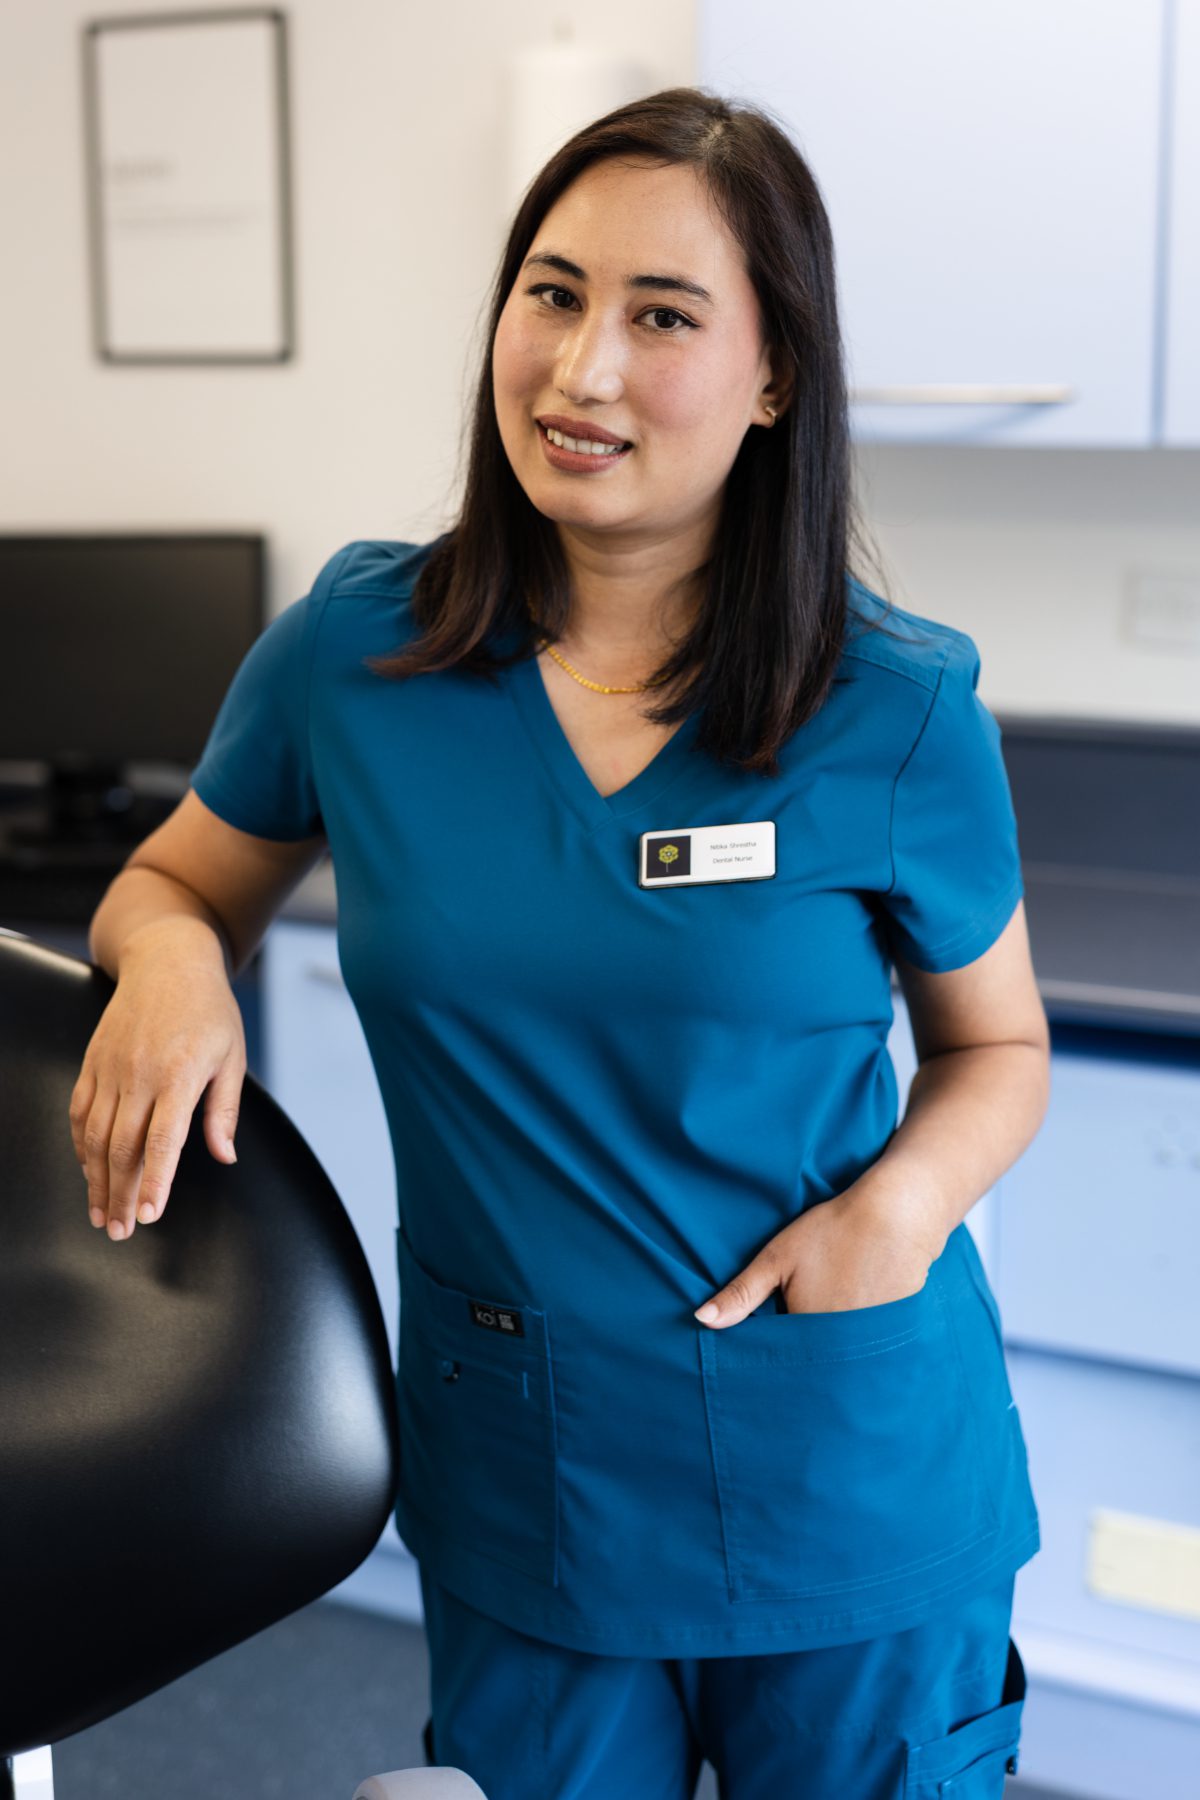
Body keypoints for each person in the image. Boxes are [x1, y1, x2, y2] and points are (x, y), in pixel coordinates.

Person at [76, 87, 1049, 1800]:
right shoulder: (357, 654)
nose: (581, 368)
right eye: (553, 291)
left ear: (773, 382)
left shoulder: (895, 709)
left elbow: (998, 1050)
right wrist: (169, 963)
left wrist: (896, 1212)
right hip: (533, 1468)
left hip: (845, 1456)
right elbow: (170, 884)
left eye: (662, 315)